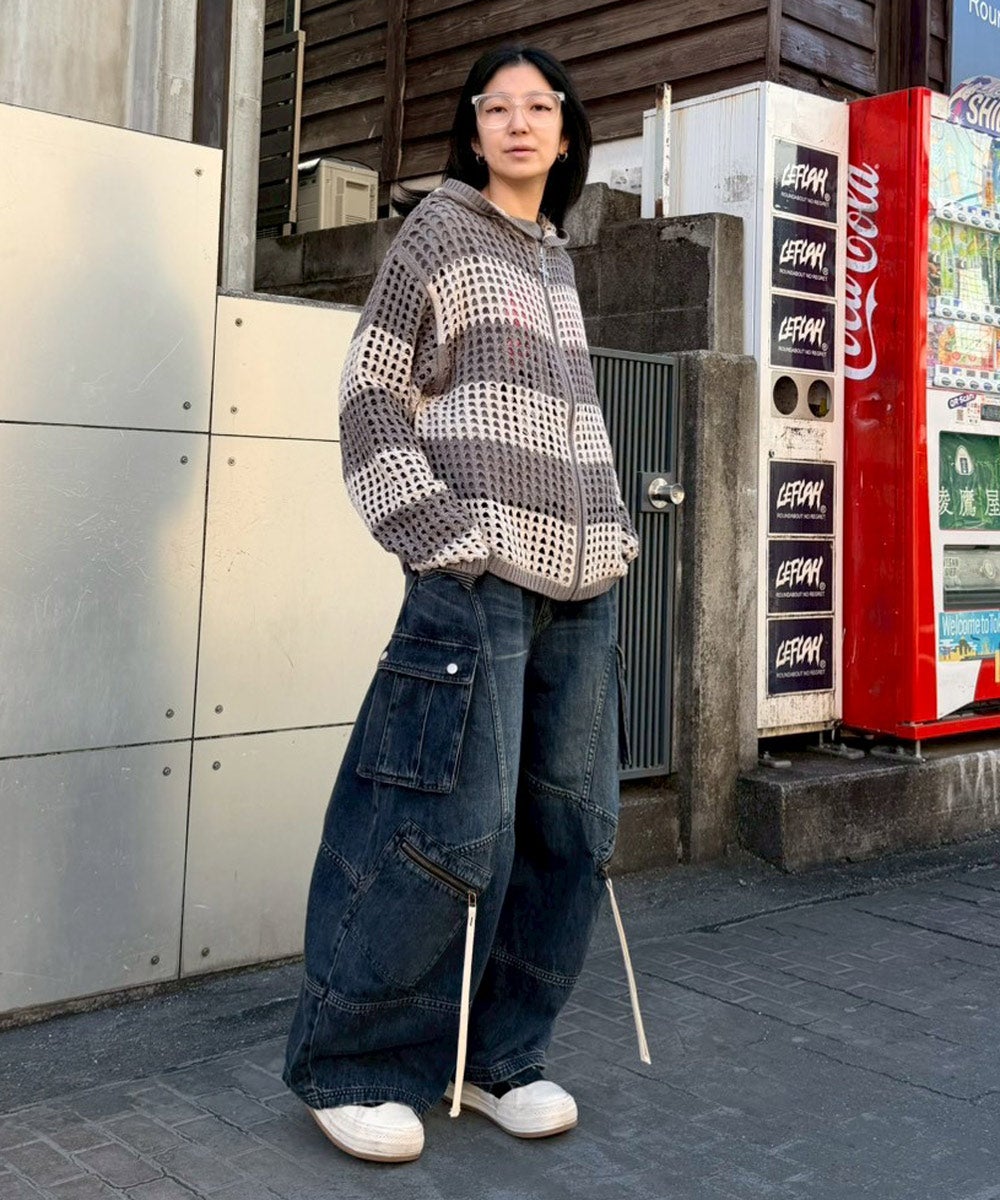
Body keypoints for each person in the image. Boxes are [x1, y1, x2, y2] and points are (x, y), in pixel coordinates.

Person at [283, 43, 648, 1164]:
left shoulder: (557, 260)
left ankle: (498, 1057)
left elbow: (571, 423)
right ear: (474, 128)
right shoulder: (436, 234)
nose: (520, 123)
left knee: (570, 834)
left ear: (568, 131)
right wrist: (442, 539)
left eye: (541, 106)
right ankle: (352, 1063)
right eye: (498, 107)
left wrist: (612, 532)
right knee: (448, 831)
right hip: (478, 585)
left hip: (580, 590)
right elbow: (369, 398)